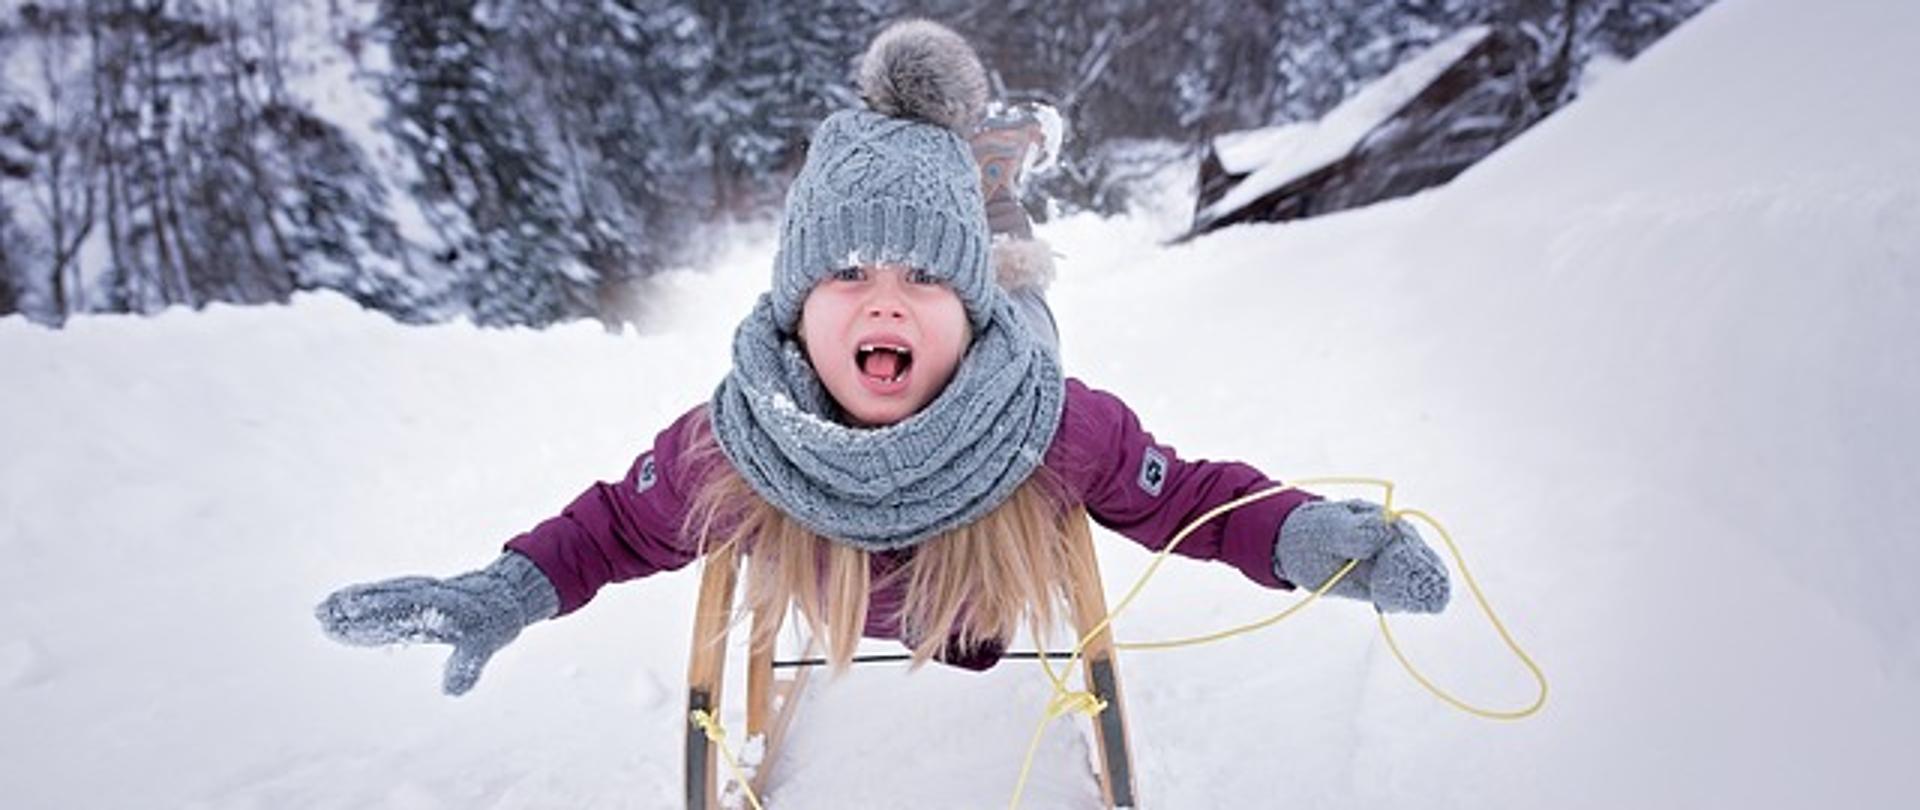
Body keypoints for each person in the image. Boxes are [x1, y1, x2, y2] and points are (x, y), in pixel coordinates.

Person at [315, 19, 1450, 697]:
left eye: (921, 282)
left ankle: (988, 191)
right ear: (796, 310)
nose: (884, 302)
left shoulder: (1051, 427)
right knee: (957, 241)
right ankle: (971, 181)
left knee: (1006, 258)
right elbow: (614, 527)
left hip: (996, 370)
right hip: (918, 405)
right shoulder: (740, 442)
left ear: (963, 310)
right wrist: (505, 591)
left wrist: (1310, 540)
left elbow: (1192, 501)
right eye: (847, 274)